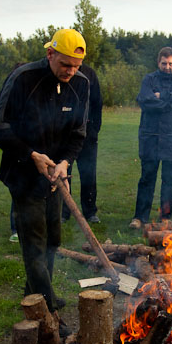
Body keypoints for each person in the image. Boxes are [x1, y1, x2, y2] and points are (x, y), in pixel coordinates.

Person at [0, 29, 88, 316]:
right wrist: (32, 155)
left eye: (75, 66)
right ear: (50, 54)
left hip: (55, 177)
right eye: (65, 64)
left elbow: (79, 132)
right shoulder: (23, 78)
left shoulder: (80, 84)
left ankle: (38, 295)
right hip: (23, 174)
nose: (70, 71)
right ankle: (48, 312)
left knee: (53, 240)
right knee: (34, 243)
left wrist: (65, 162)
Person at [129, 47, 172, 229]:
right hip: (151, 138)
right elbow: (145, 101)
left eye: (170, 63)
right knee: (147, 179)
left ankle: (166, 218)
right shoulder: (149, 80)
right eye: (163, 63)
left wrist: (162, 96)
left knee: (169, 181)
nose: (167, 67)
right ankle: (140, 218)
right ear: (158, 63)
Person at [62, 62, 103, 223]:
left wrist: (93, 130)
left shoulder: (89, 74)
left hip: (87, 134)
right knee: (64, 174)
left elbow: (97, 103)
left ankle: (90, 211)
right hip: (64, 134)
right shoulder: (61, 72)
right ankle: (64, 212)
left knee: (88, 173)